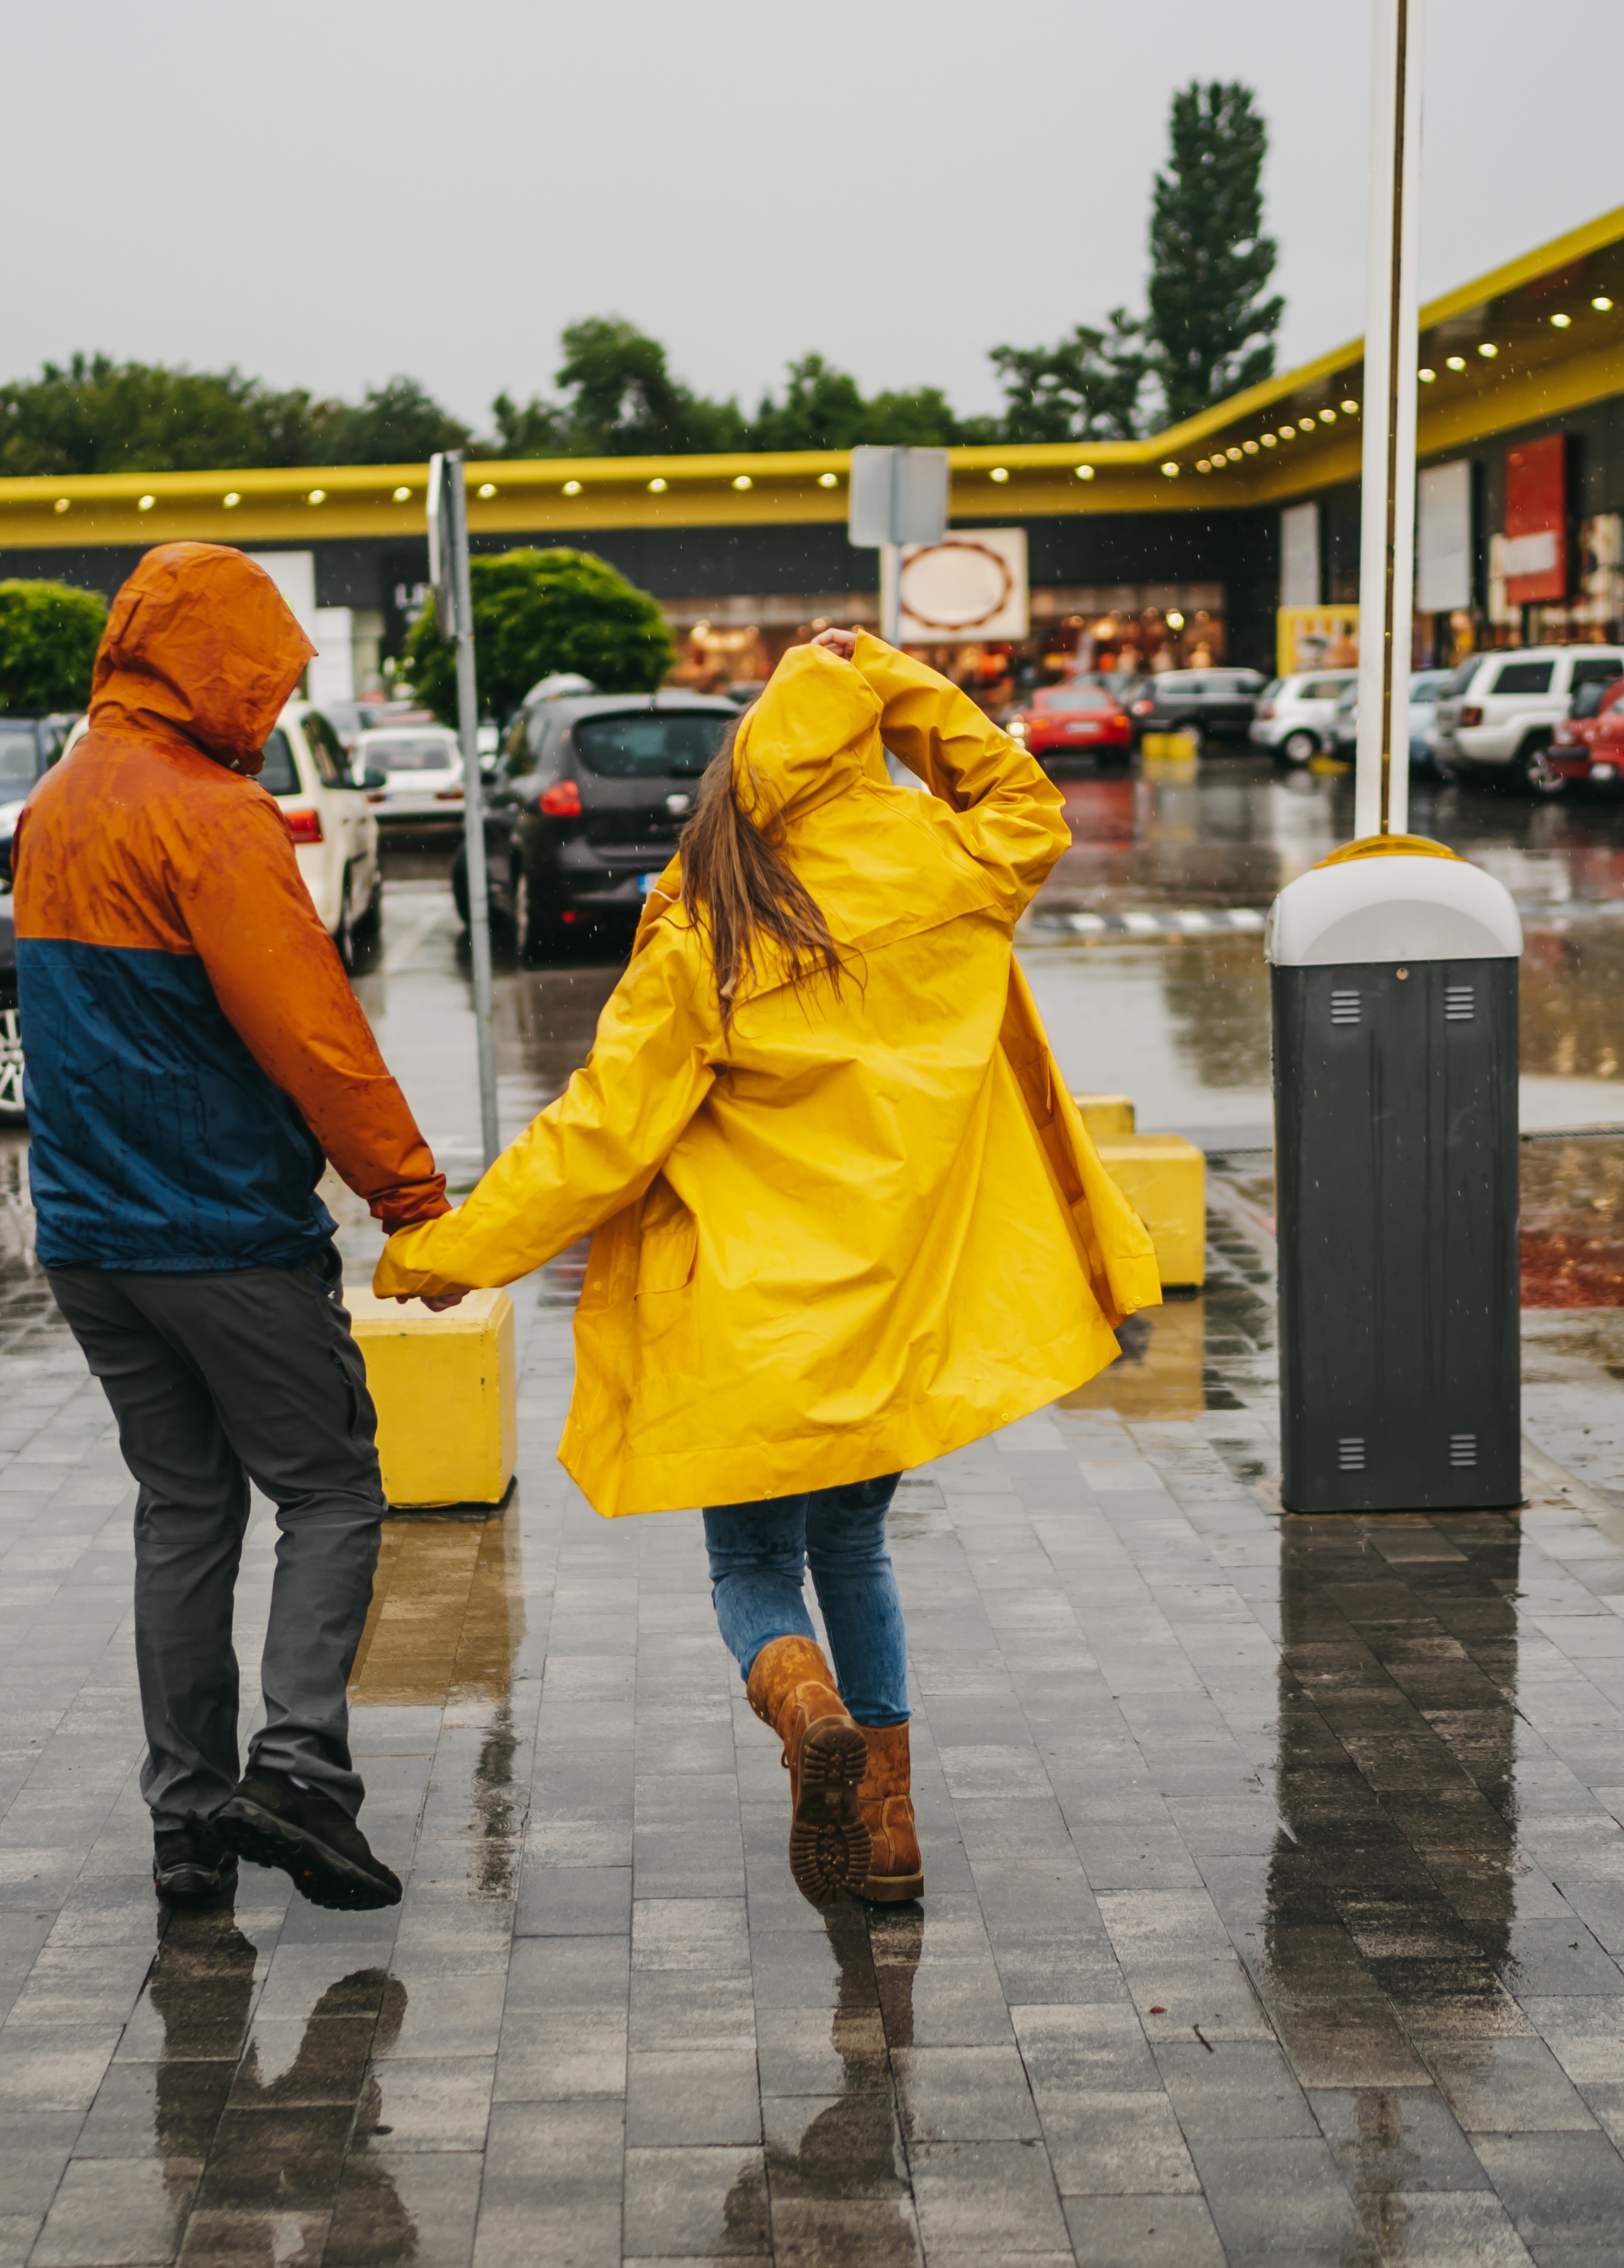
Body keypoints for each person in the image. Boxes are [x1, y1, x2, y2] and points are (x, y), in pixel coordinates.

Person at [374, 628, 1159, 1905]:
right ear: (864, 750)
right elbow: (1023, 796)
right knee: (854, 1546)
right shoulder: (957, 868)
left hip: (750, 1321)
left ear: (739, 773)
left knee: (752, 1568)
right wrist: (890, 677)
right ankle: (890, 1827)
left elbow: (597, 1135)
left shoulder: (714, 924)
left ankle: (803, 1711)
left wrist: (453, 1253)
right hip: (895, 1309)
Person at [10, 541, 448, 1912]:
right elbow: (313, 1036)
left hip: (90, 1241)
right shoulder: (209, 819)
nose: (265, 713)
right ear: (208, 666)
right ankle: (302, 1772)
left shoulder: (55, 806)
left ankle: (189, 1826)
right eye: (258, 683)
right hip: (222, 1238)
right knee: (330, 1489)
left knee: (185, 1511)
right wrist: (410, 1197)